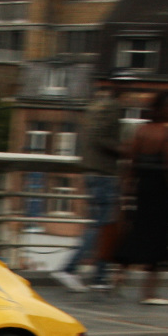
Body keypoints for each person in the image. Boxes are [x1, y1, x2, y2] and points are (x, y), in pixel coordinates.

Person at [110, 90, 168, 305]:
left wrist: (127, 188)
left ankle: (120, 274)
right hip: (160, 190)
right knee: (159, 240)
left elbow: (131, 162)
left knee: (136, 230)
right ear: (163, 109)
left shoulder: (141, 131)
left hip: (141, 188)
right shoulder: (167, 134)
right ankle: (149, 293)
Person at [54, 81, 123, 293]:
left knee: (104, 226)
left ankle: (100, 276)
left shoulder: (94, 107)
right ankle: (69, 268)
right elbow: (101, 137)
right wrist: (124, 150)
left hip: (93, 171)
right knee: (101, 227)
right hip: (104, 173)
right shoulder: (111, 108)